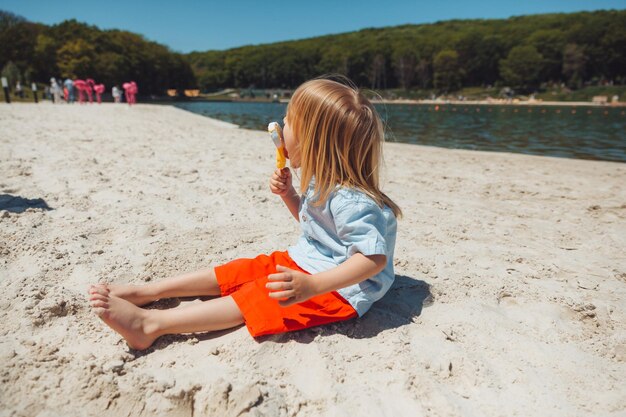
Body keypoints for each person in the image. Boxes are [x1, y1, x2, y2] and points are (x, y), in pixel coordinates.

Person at [87, 76, 401, 350]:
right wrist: (290, 195)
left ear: (312, 141)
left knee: (258, 297)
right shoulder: (323, 182)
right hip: (307, 261)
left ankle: (150, 325)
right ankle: (149, 291)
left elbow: (373, 259)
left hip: (342, 289)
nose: (281, 126)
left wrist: (314, 286)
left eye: (288, 121)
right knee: (240, 272)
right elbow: (319, 229)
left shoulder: (353, 202)